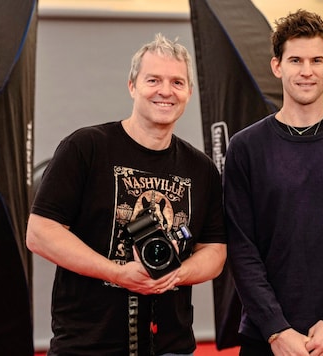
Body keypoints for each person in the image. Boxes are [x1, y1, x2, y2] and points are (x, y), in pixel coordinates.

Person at [25, 33, 227, 356]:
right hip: (87, 345)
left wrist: (177, 274)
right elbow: (39, 233)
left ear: (190, 91)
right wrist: (118, 273)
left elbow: (215, 250)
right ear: (132, 86)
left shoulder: (201, 169)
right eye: (153, 80)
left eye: (177, 82)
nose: (165, 91)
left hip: (170, 346)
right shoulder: (85, 148)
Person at [223, 9, 323, 356]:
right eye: (295, 60)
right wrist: (276, 328)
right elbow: (241, 247)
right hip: (266, 337)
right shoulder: (245, 147)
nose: (307, 71)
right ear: (277, 66)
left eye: (316, 60)